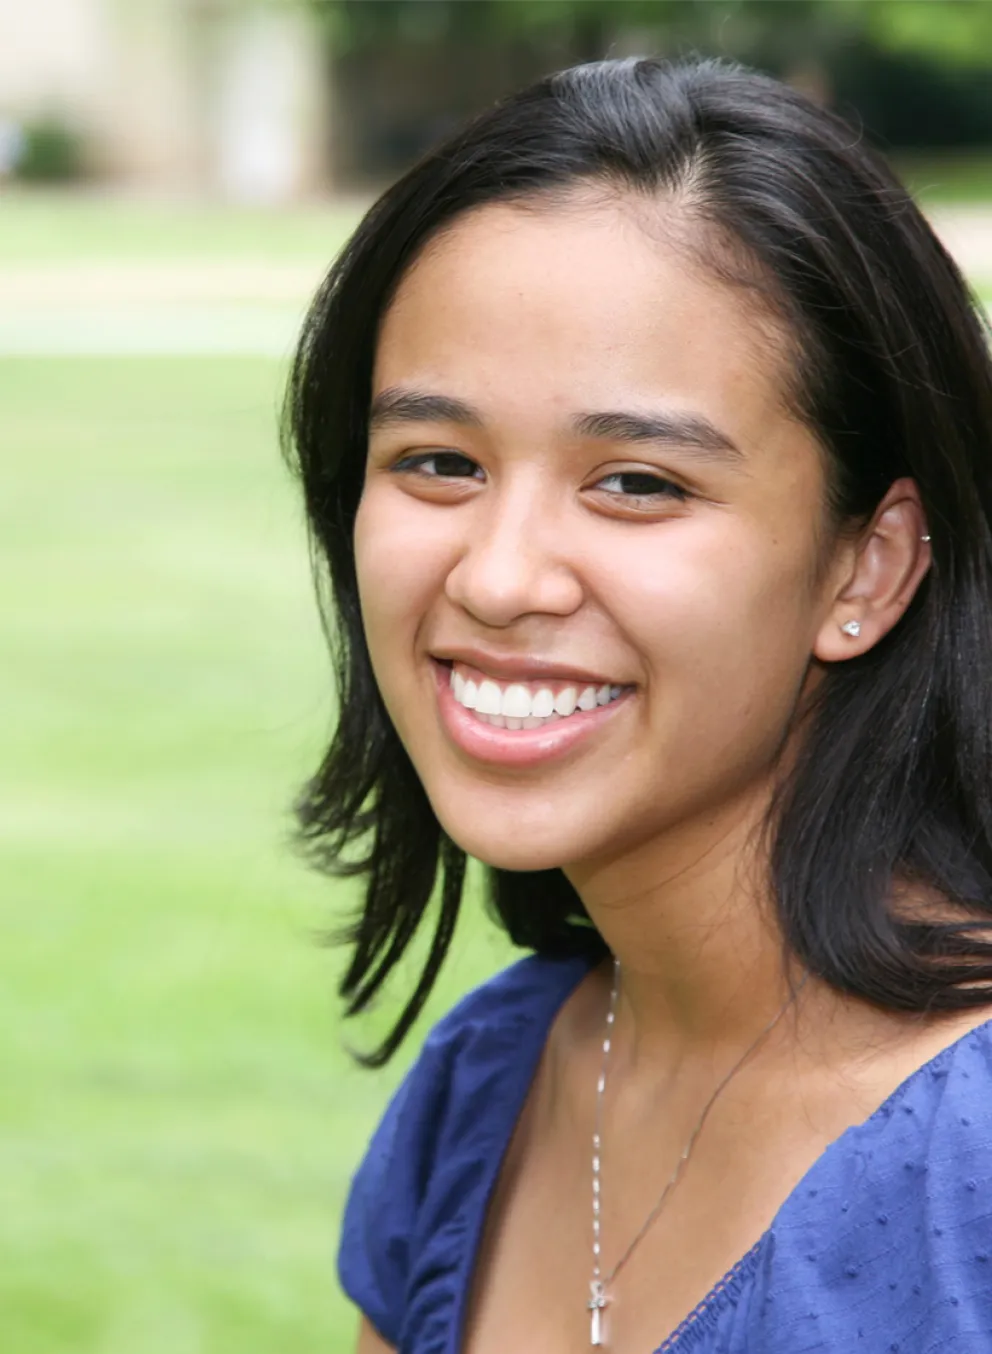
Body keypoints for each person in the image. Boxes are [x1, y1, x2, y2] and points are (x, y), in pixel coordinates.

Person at [282, 57, 992, 1354]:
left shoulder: (970, 1170)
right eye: (438, 461)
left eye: (638, 483)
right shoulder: (488, 1086)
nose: (498, 577)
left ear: (868, 563)